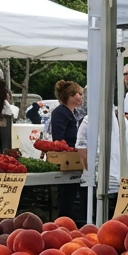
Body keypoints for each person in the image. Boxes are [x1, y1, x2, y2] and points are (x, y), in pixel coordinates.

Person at [49, 80, 84, 219]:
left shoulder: (73, 113)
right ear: (67, 96)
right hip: (66, 158)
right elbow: (58, 139)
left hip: (73, 155)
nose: (79, 97)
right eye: (75, 94)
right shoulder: (60, 112)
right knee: (66, 191)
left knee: (71, 190)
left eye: (80, 94)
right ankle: (63, 219)